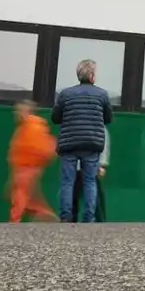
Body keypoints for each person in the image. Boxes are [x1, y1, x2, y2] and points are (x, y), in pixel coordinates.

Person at [52, 58, 112, 222]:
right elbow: (108, 118)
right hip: (92, 143)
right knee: (89, 182)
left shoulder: (65, 94)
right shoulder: (102, 94)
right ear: (92, 76)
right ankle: (89, 218)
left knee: (67, 182)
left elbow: (56, 118)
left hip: (69, 143)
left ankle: (66, 217)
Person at [7, 100, 55, 223]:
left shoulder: (33, 126)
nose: (16, 113)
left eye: (19, 110)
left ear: (27, 111)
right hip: (24, 167)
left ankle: (15, 220)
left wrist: (30, 165)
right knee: (25, 197)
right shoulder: (26, 126)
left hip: (27, 167)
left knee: (20, 195)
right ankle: (44, 215)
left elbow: (36, 149)